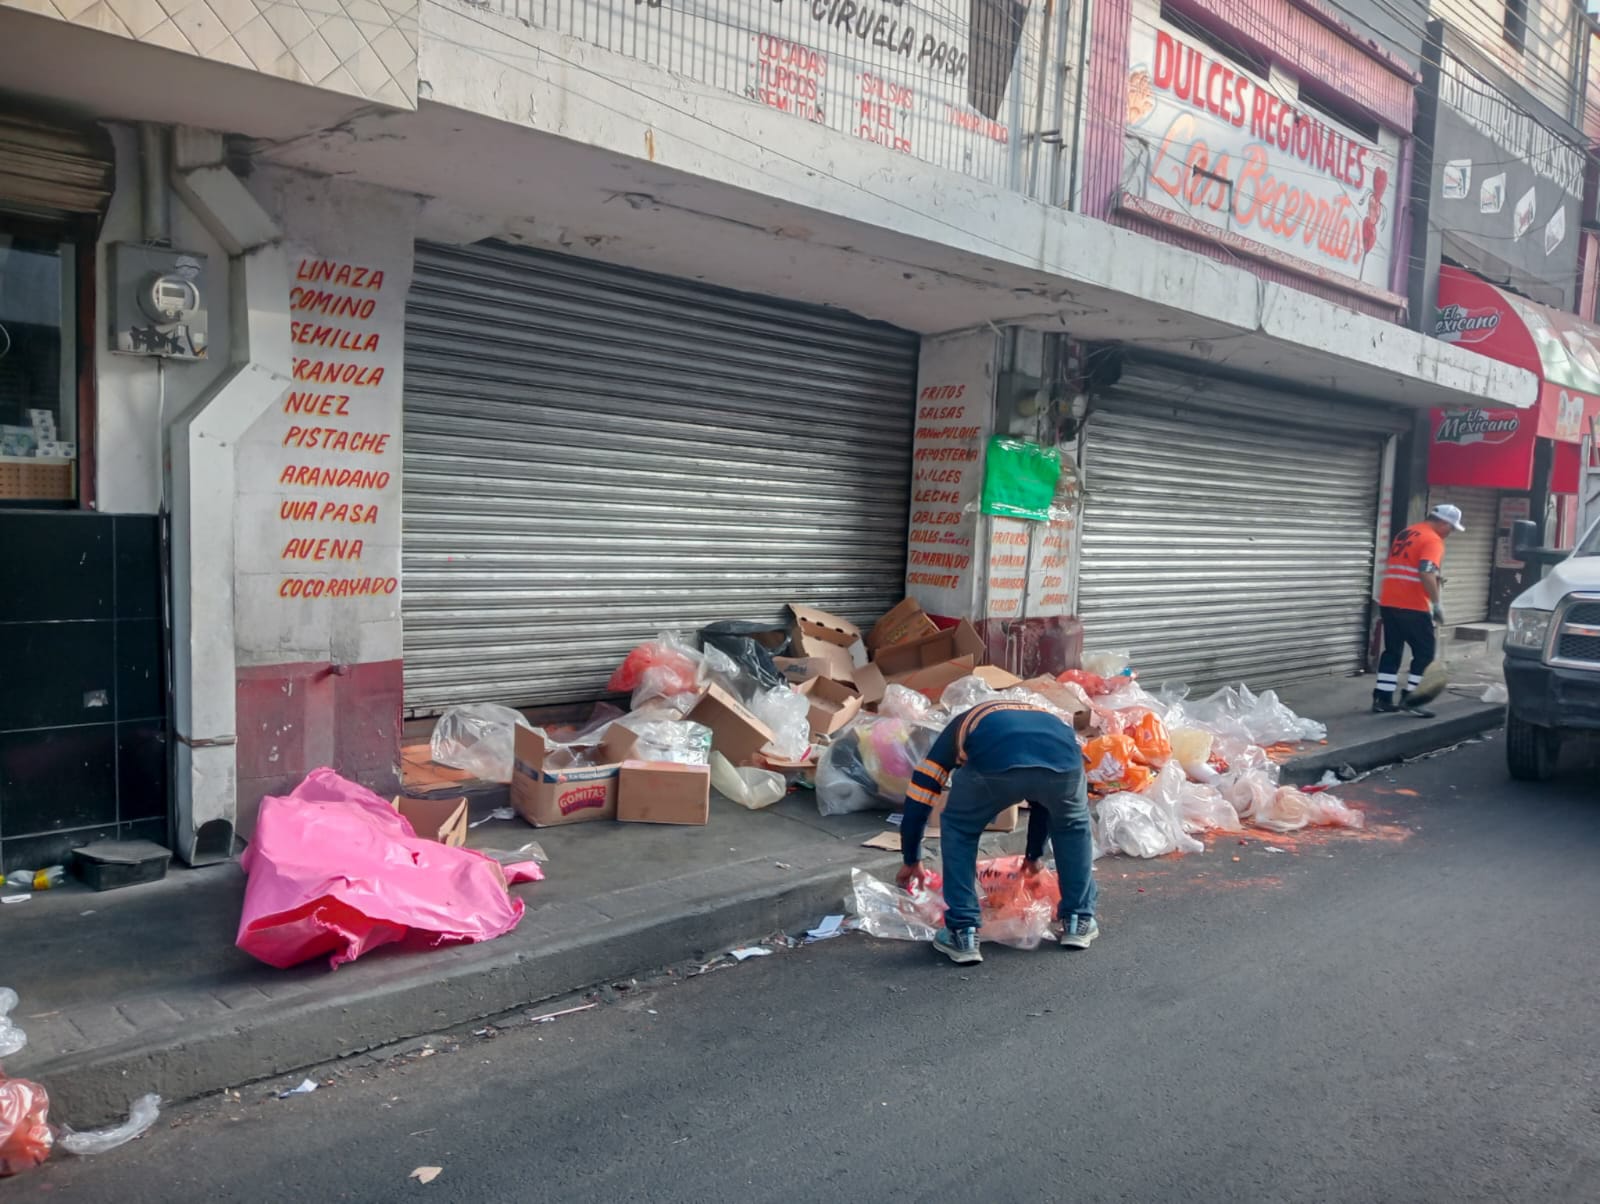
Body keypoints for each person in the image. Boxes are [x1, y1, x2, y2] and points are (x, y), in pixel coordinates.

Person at [896, 700, 1096, 964]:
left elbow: (920, 796)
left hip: (994, 764)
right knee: (1072, 825)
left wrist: (912, 859)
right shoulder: (1046, 718)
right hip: (1066, 763)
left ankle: (962, 932)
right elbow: (1042, 800)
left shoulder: (954, 732)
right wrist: (1034, 856)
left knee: (960, 828)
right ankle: (1078, 920)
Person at [1373, 503, 1465, 718]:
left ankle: (1382, 699)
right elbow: (1425, 571)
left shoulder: (1408, 532)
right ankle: (1413, 700)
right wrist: (1436, 603)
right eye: (1451, 528)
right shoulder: (1433, 539)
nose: (1450, 533)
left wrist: (1433, 578)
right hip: (1413, 604)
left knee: (1392, 651)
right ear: (1443, 523)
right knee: (1424, 654)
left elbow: (1410, 566)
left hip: (1389, 600)